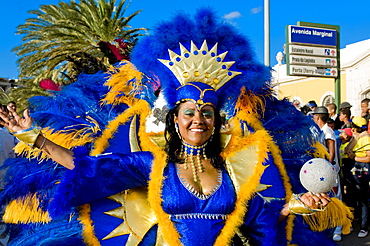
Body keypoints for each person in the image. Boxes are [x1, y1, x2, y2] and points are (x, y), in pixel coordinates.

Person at [0, 9, 352, 246]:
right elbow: (90, 167)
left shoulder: (231, 170)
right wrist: (37, 138)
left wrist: (302, 204)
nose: (198, 119)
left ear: (216, 121)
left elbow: (264, 212)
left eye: (207, 113)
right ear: (175, 119)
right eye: (189, 112)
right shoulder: (155, 166)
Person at [345, 116, 370, 238]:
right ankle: (355, 221)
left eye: (353, 126)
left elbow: (369, 157)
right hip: (352, 171)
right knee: (353, 197)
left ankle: (364, 226)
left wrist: (354, 158)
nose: (351, 128)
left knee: (363, 199)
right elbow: (346, 150)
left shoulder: (365, 138)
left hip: (362, 171)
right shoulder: (356, 137)